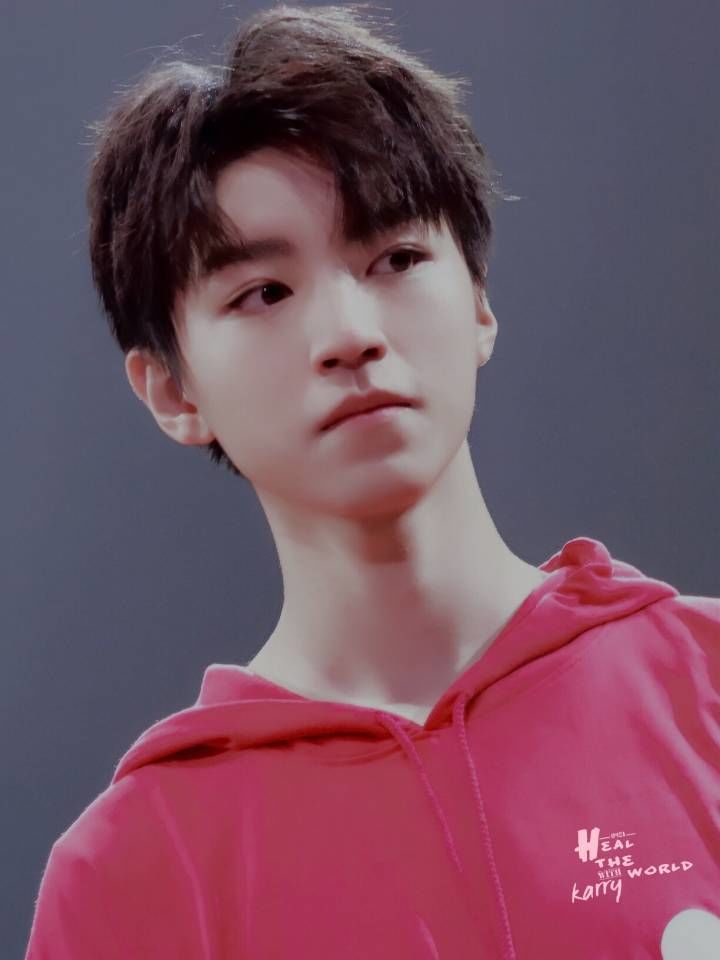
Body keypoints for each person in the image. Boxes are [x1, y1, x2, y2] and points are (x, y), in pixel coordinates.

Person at [24, 4, 720, 958]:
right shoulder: (134, 869)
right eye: (263, 293)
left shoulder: (704, 685)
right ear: (173, 392)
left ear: (479, 303)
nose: (350, 335)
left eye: (396, 258)